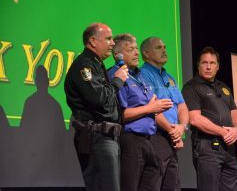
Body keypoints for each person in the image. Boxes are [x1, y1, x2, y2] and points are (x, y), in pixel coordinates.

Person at [64, 23, 129, 191]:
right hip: (97, 137)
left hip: (107, 138)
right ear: (92, 41)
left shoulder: (96, 65)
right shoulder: (84, 65)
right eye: (108, 39)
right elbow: (99, 99)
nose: (113, 43)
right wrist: (117, 81)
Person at [107, 33, 173, 191]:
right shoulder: (116, 76)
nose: (137, 53)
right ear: (118, 55)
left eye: (137, 49)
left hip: (149, 140)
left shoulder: (140, 76)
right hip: (131, 141)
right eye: (131, 50)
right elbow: (122, 115)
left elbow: (152, 104)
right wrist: (151, 108)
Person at [182, 46, 237, 191]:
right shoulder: (191, 87)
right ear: (198, 65)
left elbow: (236, 114)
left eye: (212, 63)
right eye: (204, 63)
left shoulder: (224, 87)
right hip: (207, 148)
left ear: (218, 66)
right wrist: (223, 132)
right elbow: (195, 119)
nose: (208, 67)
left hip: (228, 149)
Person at [140, 37, 189, 191]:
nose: (164, 50)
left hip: (172, 139)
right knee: (154, 184)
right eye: (159, 47)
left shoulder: (170, 78)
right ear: (146, 53)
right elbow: (151, 108)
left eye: (165, 47)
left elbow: (182, 106)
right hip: (156, 137)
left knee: (173, 185)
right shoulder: (143, 74)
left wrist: (182, 127)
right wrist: (173, 131)